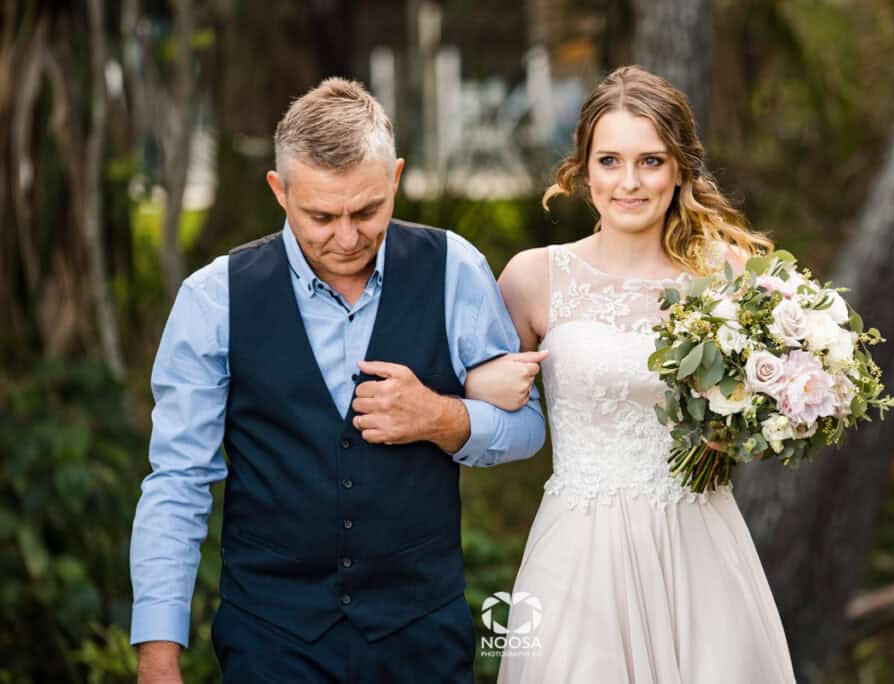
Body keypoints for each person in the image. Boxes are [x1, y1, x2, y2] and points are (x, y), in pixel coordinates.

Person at [128, 77, 547, 683]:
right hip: (271, 639)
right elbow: (177, 481)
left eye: (368, 210)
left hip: (421, 637)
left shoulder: (455, 269)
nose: (346, 238)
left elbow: (528, 426)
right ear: (279, 190)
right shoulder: (213, 298)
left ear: (396, 178)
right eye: (321, 216)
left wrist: (441, 417)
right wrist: (158, 654)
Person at [463, 66, 798, 683]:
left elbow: (779, 401)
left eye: (650, 161)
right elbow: (484, 407)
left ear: (679, 169)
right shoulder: (533, 276)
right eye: (610, 160)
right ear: (584, 169)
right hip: (578, 550)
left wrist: (744, 428)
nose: (629, 182)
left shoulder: (727, 273)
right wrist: (475, 386)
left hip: (698, 541)